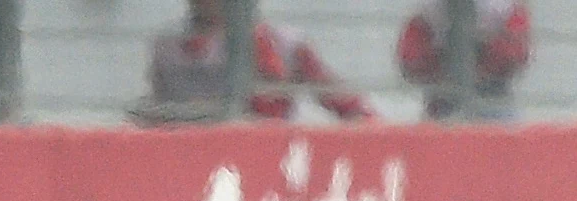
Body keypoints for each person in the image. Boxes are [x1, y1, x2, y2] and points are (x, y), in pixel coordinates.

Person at [141, 0, 370, 124]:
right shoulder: (169, 46)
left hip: (262, 152)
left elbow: (345, 103)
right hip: (191, 152)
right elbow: (158, 107)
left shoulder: (281, 42)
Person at [396, 1, 532, 121]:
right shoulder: (428, 10)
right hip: (441, 105)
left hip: (493, 102)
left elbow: (513, 53)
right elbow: (411, 60)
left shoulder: (502, 7)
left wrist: (482, 63)